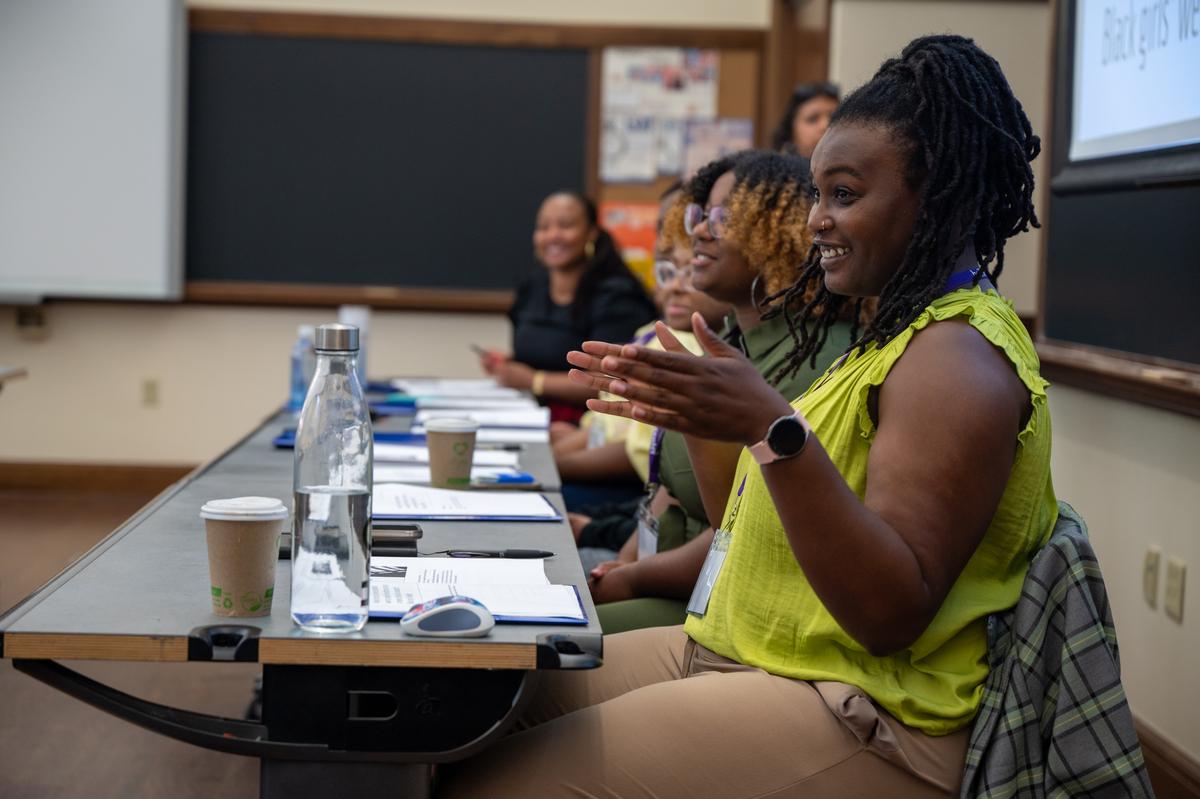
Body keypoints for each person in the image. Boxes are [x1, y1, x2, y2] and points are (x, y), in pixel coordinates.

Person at [441, 35, 1054, 797]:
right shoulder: (893, 334)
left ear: (936, 196)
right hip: (755, 647)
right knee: (458, 717)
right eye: (819, 194)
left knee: (487, 786)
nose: (819, 221)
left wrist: (773, 427)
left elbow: (889, 610)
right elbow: (744, 519)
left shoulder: (958, 357)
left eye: (845, 195)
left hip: (860, 704)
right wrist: (703, 412)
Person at [586, 150, 853, 633]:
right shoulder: (732, 341)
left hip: (739, 611)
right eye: (700, 215)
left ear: (782, 229)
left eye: (723, 217)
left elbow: (742, 533)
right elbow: (666, 491)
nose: (700, 232)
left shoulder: (814, 360)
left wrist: (635, 579)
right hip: (681, 586)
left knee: (538, 656)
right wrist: (620, 568)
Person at [480, 191, 657, 424]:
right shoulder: (531, 288)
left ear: (591, 233)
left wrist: (535, 380)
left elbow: (615, 381)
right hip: (526, 415)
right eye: (543, 227)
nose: (553, 235)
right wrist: (509, 364)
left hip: (588, 425)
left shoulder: (617, 297)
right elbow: (547, 356)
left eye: (565, 225)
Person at [770, 81, 839, 160]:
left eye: (834, 117)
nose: (825, 126)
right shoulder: (774, 170)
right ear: (791, 131)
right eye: (812, 119)